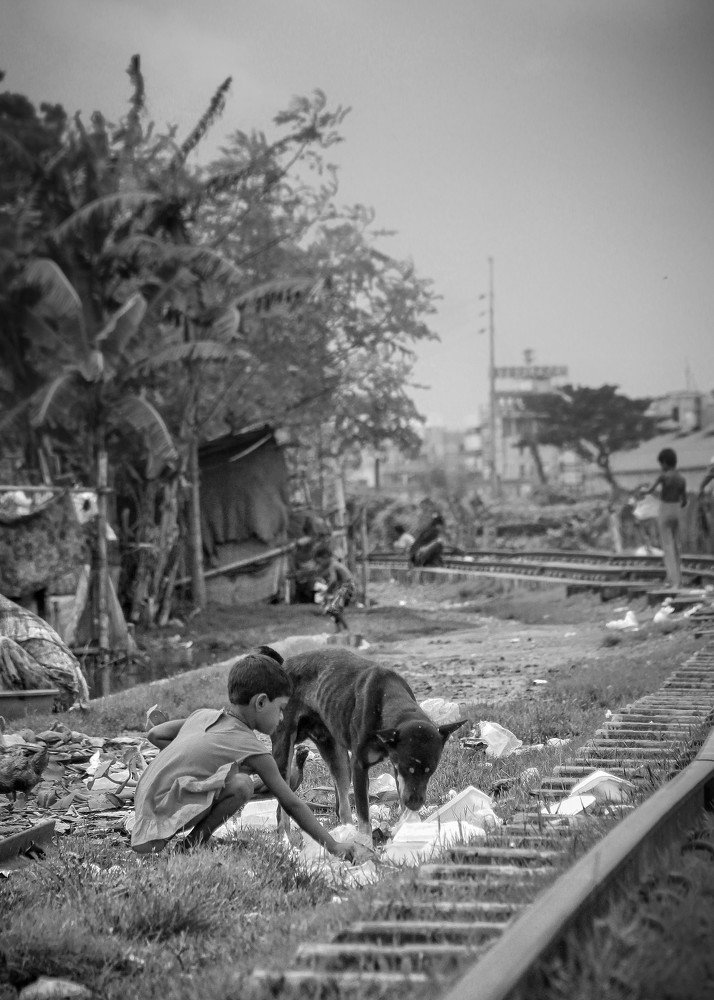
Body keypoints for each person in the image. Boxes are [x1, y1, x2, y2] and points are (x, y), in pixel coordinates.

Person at [130, 648, 356, 859]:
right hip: (156, 830)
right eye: (281, 709)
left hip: (142, 816)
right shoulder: (250, 747)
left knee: (230, 776)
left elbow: (156, 734)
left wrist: (193, 762)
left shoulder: (202, 715)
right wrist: (334, 846)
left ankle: (186, 838)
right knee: (242, 785)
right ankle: (193, 844)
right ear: (261, 702)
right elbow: (292, 803)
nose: (281, 719)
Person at [646, 447, 688, 588]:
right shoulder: (681, 479)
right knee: (677, 546)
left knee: (668, 547)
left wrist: (643, 492)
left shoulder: (663, 476)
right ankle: (679, 579)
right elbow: (685, 501)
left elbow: (650, 490)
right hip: (677, 510)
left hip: (665, 510)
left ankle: (673, 580)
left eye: (661, 464)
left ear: (664, 462)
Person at [313, 543, 356, 632]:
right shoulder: (332, 564)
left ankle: (346, 630)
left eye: (320, 562)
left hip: (347, 587)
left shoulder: (333, 565)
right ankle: (339, 630)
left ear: (325, 557)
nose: (320, 564)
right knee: (334, 610)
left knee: (334, 609)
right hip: (345, 587)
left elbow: (333, 581)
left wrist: (327, 592)